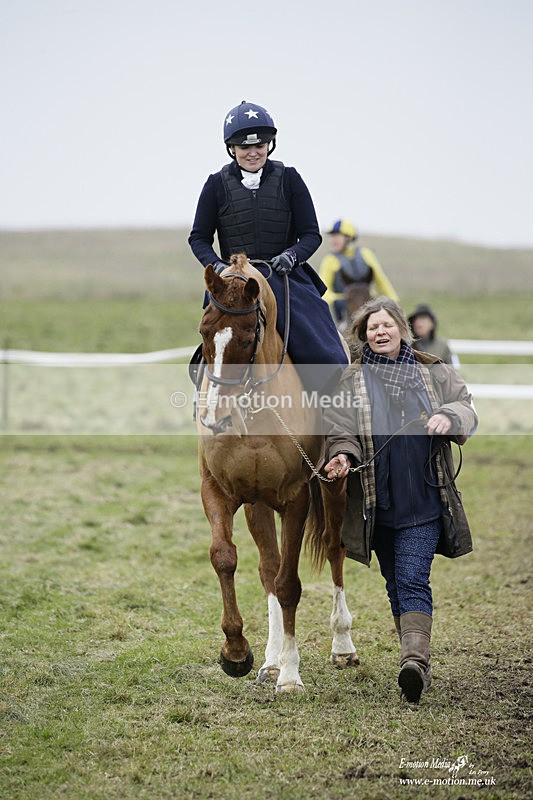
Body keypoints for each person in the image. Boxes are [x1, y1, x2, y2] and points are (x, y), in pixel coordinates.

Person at [322, 297, 477, 704]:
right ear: (363, 336)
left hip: (426, 498)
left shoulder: (433, 371)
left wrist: (451, 417)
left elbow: (467, 406)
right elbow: (340, 429)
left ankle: (414, 662)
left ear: (402, 329)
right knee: (394, 581)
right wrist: (340, 456)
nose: (381, 332)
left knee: (411, 577)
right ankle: (415, 661)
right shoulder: (350, 381)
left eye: (387, 324)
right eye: (372, 327)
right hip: (378, 502)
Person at [188, 101, 348, 391]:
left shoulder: (290, 179)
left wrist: (292, 255)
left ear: (269, 145)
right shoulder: (215, 185)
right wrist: (221, 268)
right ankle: (208, 407)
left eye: (260, 145)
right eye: (244, 147)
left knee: (325, 351)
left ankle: (333, 414)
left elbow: (311, 234)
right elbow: (198, 237)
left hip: (284, 278)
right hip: (233, 282)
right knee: (212, 341)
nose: (253, 152)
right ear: (232, 149)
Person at [319, 219, 399, 324]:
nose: (333, 240)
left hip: (369, 305)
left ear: (349, 238)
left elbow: (382, 282)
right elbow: (323, 290)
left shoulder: (366, 254)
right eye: (332, 236)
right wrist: (339, 299)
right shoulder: (329, 260)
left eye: (337, 236)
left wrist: (393, 301)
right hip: (343, 311)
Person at [409, 302, 460, 368]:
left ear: (432, 324)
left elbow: (453, 371)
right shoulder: (407, 345)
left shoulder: (442, 346)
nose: (418, 323)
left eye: (423, 319)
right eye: (415, 319)